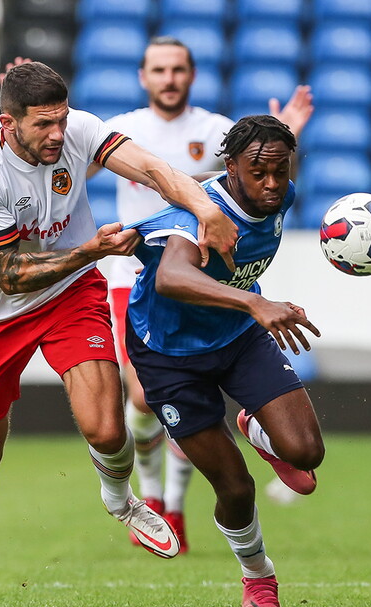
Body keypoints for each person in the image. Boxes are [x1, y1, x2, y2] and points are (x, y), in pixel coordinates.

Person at [0, 61, 239, 607]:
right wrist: (90, 250)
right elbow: (10, 274)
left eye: (61, 120)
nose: (57, 135)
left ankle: (121, 501)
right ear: (7, 123)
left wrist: (205, 208)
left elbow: (154, 170)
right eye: (43, 125)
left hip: (71, 294)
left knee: (108, 428)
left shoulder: (78, 130)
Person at [90, 36, 316, 550]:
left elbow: (269, 167)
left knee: (294, 449)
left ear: (191, 75)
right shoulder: (121, 131)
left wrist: (289, 138)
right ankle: (155, 500)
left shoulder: (220, 133)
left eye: (178, 69)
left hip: (223, 303)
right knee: (144, 400)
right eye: (158, 69)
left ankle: (210, 468)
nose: (169, 78)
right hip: (144, 279)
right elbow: (70, 172)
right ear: (144, 76)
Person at [123, 115, 324, 607]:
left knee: (306, 453)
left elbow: (246, 267)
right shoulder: (198, 212)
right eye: (259, 172)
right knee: (235, 487)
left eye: (282, 170)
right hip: (168, 353)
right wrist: (257, 303)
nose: (273, 184)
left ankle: (256, 429)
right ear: (230, 166)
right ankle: (258, 577)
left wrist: (258, 306)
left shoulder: (283, 197)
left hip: (236, 338)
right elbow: (170, 277)